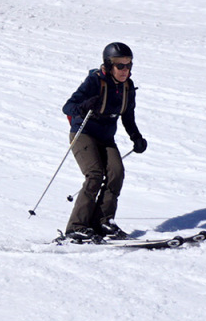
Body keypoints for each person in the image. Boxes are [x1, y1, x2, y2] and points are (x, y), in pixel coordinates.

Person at [58, 42, 147, 242]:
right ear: (108, 65)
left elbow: (128, 116)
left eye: (128, 65)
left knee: (116, 173)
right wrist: (83, 107)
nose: (125, 70)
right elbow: (67, 107)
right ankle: (76, 227)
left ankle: (103, 222)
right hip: (84, 134)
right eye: (120, 65)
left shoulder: (127, 87)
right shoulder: (94, 82)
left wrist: (136, 137)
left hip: (106, 138)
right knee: (95, 175)